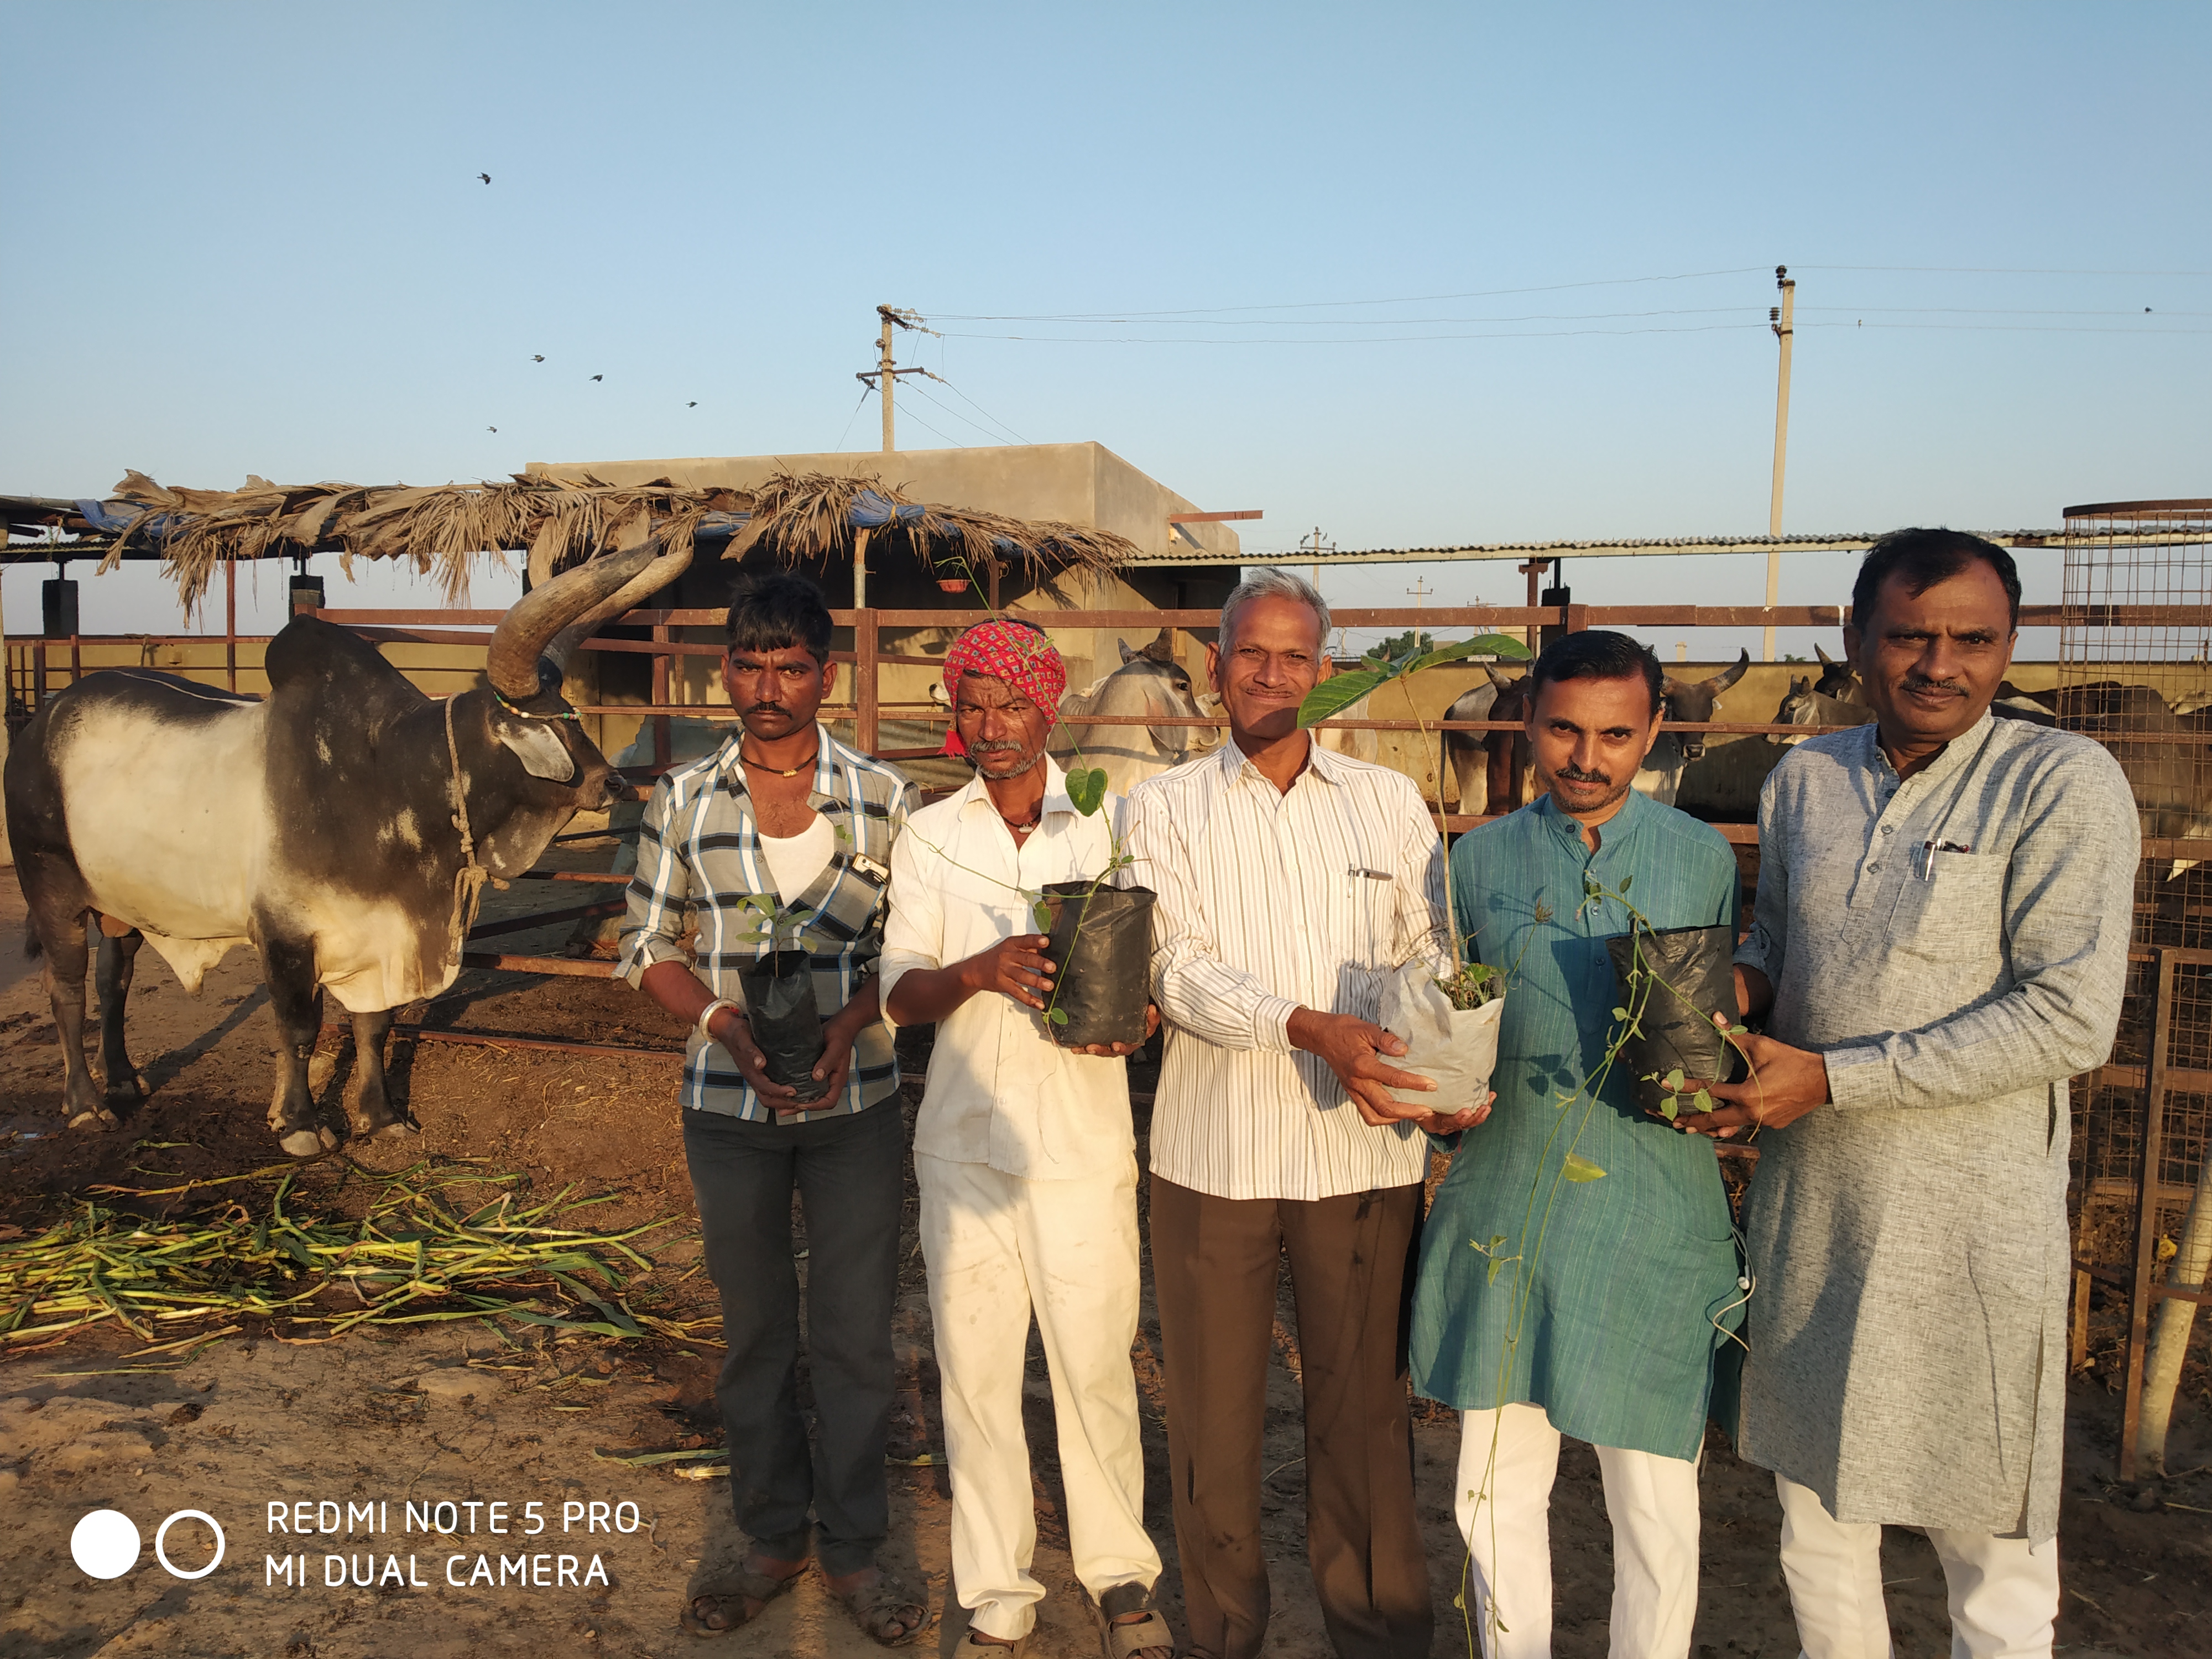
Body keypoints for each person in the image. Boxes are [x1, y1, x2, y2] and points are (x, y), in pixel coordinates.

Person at [1673, 530, 2139, 1659]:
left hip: (1966, 1229)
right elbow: (1781, 947)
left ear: (2009, 645)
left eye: (1972, 640)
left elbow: (2068, 1018)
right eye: (1909, 637)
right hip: (1814, 1214)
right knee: (1817, 1524)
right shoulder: (1804, 780)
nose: (1939, 665)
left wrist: (1834, 1077)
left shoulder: (2060, 781)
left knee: (1989, 1549)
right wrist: (1721, 1001)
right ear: (1855, 640)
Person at [1124, 569, 1482, 1659]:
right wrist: (1307, 1027)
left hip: (1361, 1150)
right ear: (1215, 668)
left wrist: (1442, 1073)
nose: (1272, 675)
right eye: (1251, 653)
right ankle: (1224, 1635)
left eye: (1294, 656)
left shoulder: (1387, 801)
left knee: (1363, 1415)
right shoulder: (1161, 805)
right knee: (1212, 1420)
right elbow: (1173, 966)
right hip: (1212, 1154)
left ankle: (1377, 1635)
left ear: (1325, 672)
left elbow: (1431, 953)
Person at [1410, 629, 1746, 1659]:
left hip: (1656, 1208)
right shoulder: (1477, 860)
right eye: (1564, 730)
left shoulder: (1701, 858)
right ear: (1528, 724)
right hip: (1508, 1203)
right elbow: (1455, 1013)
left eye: (1615, 735)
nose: (1587, 759)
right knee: (1493, 1486)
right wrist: (1439, 1100)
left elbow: (1716, 1025)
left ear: (1655, 730)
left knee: (1654, 1496)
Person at [618, 572, 928, 1646]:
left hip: (857, 1101)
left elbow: (911, 948)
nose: (767, 687)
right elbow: (646, 944)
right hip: (726, 1108)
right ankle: (769, 1536)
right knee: (753, 1333)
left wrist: (850, 1026)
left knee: (853, 1337)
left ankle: (853, 1547)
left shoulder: (884, 799)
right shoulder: (682, 798)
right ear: (725, 673)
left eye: (789, 667)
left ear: (823, 676)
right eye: (748, 666)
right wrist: (722, 1025)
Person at [880, 619, 1175, 1659]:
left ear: (1050, 710)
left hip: (1082, 1147)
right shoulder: (929, 834)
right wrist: (977, 971)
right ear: (955, 717)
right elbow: (898, 993)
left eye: (1012, 705)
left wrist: (1142, 1020)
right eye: (973, 706)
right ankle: (998, 1594)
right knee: (974, 1376)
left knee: (1094, 1366)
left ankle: (1121, 1577)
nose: (993, 726)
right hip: (962, 1148)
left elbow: (1153, 978)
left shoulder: (1110, 826)